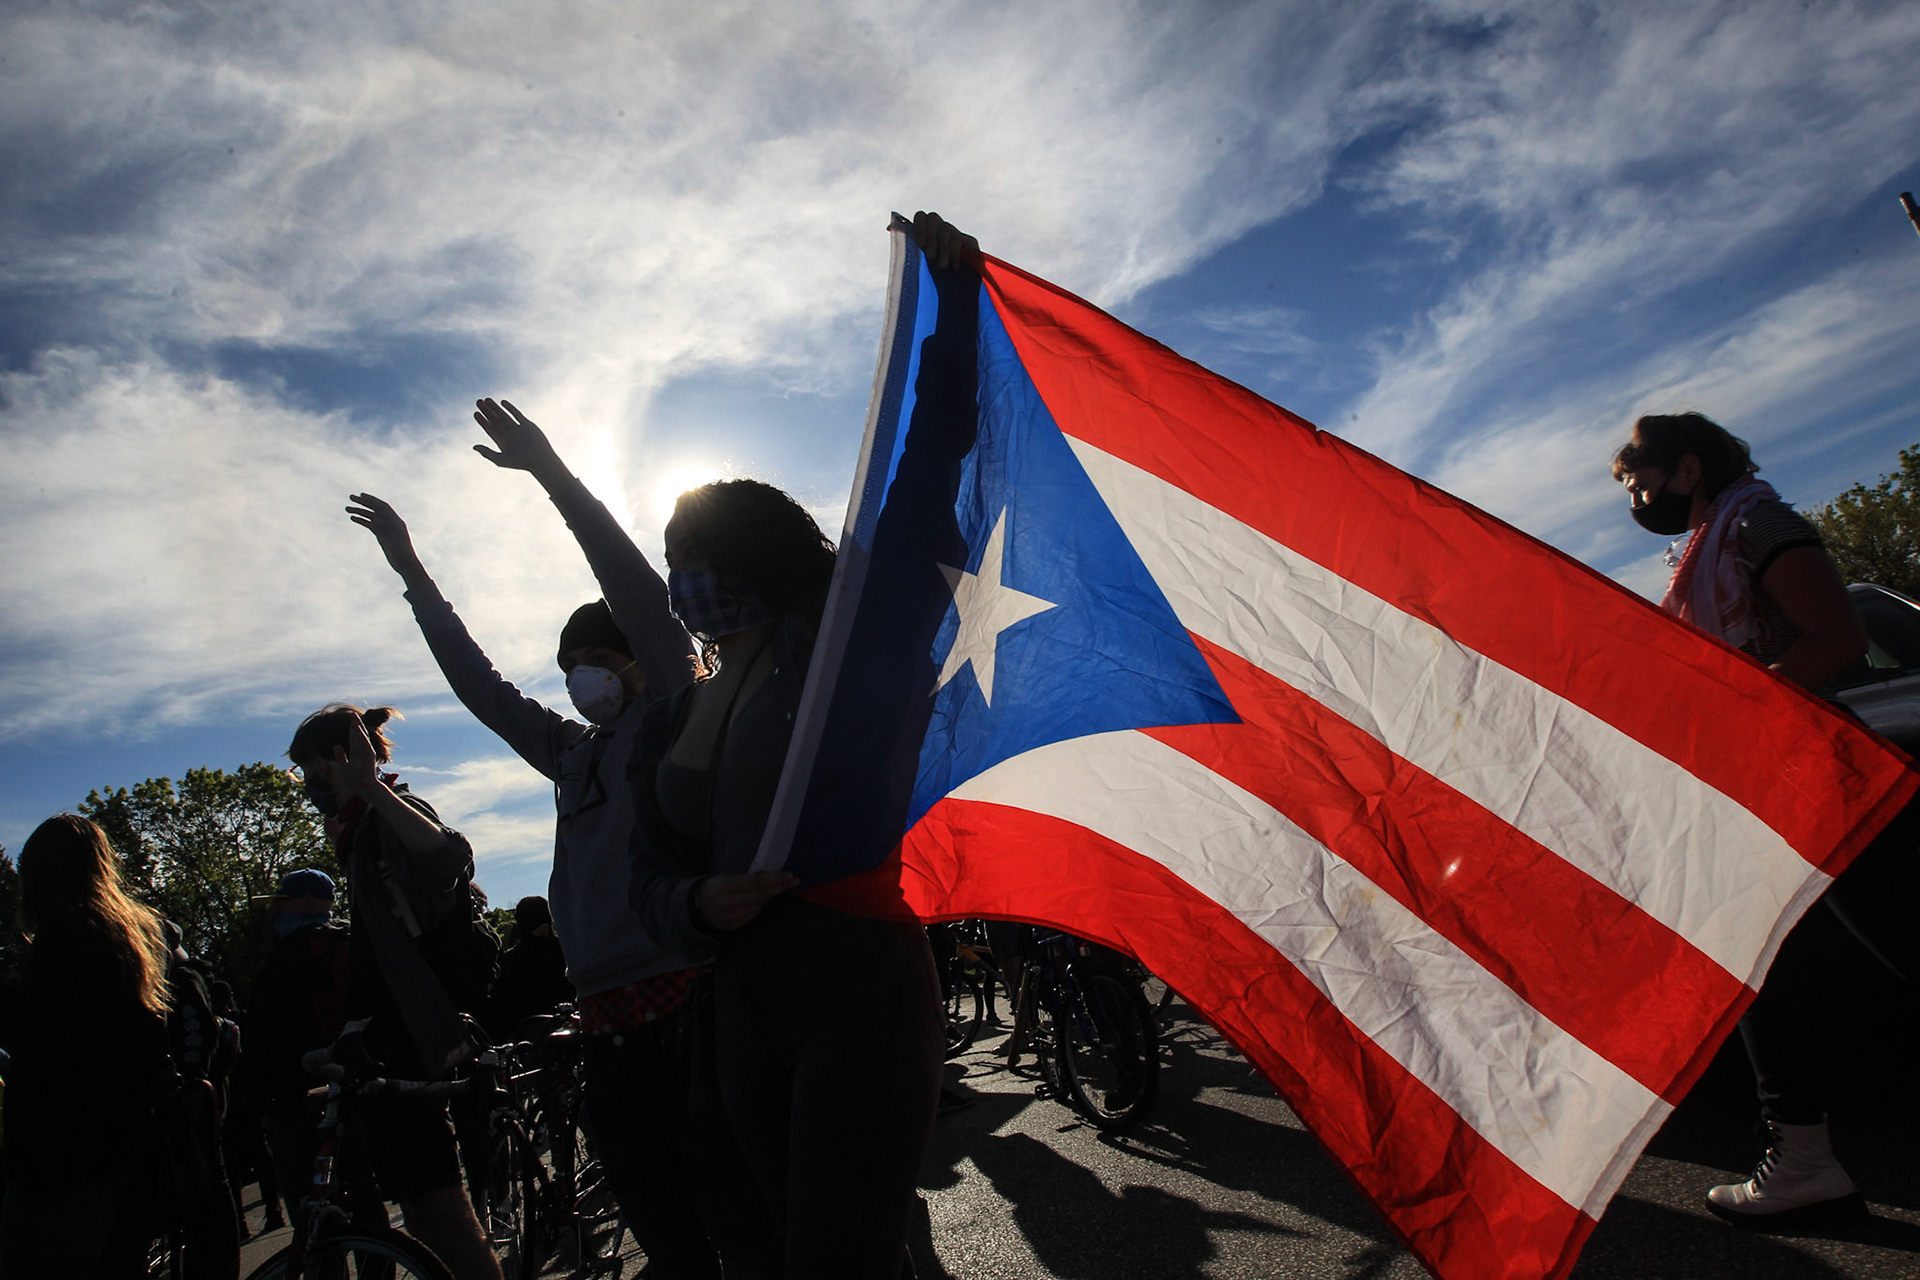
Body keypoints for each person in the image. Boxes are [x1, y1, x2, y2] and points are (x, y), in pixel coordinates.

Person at [347, 396, 776, 1278]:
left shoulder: (673, 715)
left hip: (692, 1013)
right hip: (605, 1035)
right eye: (567, 666)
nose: (578, 678)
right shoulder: (568, 754)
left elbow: (635, 593)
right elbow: (480, 685)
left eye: (592, 657)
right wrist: (413, 573)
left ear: (637, 659)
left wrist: (551, 476)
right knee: (671, 1242)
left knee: (746, 1229)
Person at [624, 212, 976, 1279]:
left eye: (701, 557)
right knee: (784, 1253)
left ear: (762, 554)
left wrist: (950, 303)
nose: (686, 583)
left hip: (855, 982)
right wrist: (695, 904)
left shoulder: (846, 642)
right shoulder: (679, 707)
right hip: (739, 1000)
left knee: (840, 1256)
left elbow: (925, 469)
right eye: (671, 561)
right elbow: (649, 867)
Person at [1614, 411, 1918, 1219]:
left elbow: (1837, 637)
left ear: (1686, 469)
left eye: (1638, 482)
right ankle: (1804, 1158)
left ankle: (1804, 1157)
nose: (1636, 501)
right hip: (1762, 786)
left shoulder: (1756, 521)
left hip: (1814, 771)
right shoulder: (1708, 544)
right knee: (1764, 968)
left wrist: (1745, 709)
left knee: (1891, 937)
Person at [287, 704, 502, 1280]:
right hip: (393, 1036)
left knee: (437, 1213)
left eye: (309, 767)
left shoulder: (389, 815)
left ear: (340, 759)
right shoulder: (358, 830)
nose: (305, 784)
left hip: (417, 1035)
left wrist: (373, 791)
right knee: (426, 1210)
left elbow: (447, 857)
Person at [0, 814, 174, 1278]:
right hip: (127, 1144)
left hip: (65, 1153)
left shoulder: (63, 936)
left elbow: (43, 1036)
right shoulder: (133, 935)